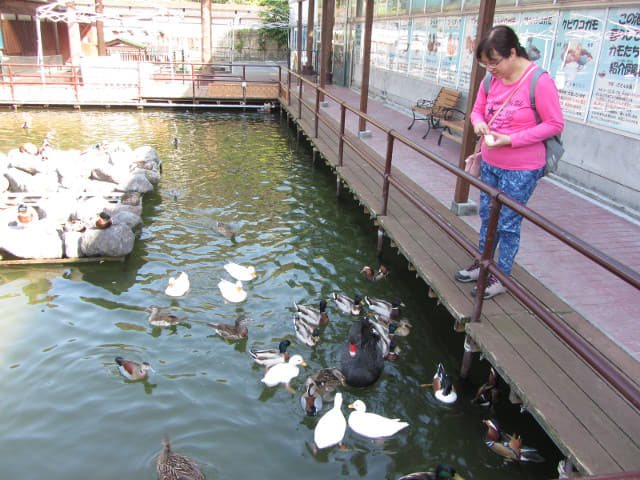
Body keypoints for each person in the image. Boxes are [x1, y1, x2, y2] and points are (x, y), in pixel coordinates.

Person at [454, 25, 564, 299]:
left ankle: (499, 277)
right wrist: (479, 124)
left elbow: (554, 124)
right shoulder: (490, 81)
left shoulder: (539, 81)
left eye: (494, 63)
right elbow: (477, 110)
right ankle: (482, 264)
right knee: (487, 216)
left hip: (523, 167)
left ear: (512, 53)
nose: (491, 69)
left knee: (508, 223)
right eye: (485, 64)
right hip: (491, 161)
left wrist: (510, 140)